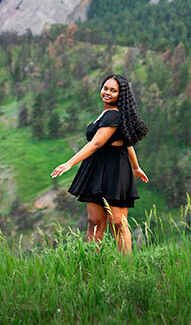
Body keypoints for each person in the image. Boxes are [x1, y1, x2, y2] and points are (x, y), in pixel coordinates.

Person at [51, 74, 149, 254]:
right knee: (94, 222)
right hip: (96, 169)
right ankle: (92, 262)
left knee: (118, 223)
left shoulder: (114, 115)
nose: (108, 93)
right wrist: (136, 167)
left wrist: (69, 164)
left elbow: (96, 143)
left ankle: (126, 267)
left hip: (115, 170)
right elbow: (128, 144)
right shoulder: (107, 112)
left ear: (121, 94)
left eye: (113, 90)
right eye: (105, 88)